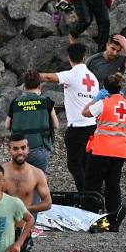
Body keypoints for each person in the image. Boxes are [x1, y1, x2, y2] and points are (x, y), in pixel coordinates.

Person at [38, 43, 98, 190]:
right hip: (93, 126)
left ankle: (86, 195)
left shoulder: (71, 75)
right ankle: (94, 192)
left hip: (77, 128)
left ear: (68, 58)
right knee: (88, 163)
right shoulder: (93, 78)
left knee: (74, 165)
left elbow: (48, 77)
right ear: (84, 57)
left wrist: (32, 77)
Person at [82, 72, 126, 232]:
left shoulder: (103, 103)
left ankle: (91, 220)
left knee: (93, 184)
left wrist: (96, 99)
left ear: (105, 87)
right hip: (120, 150)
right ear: (120, 87)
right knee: (113, 185)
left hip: (101, 149)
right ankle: (113, 222)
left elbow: (85, 113)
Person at [4, 71, 59, 173]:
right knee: (39, 181)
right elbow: (56, 124)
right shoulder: (46, 101)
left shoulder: (15, 102)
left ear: (24, 86)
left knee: (20, 181)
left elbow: (7, 125)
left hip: (19, 149)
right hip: (40, 147)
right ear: (39, 86)